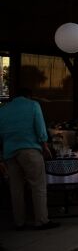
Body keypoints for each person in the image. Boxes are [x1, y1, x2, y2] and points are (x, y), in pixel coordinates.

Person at [0, 88, 58, 230]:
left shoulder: (3, 109)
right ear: (29, 96)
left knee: (16, 188)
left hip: (9, 152)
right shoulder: (33, 105)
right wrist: (45, 146)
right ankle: (41, 220)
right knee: (38, 185)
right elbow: (40, 128)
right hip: (29, 149)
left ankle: (19, 222)